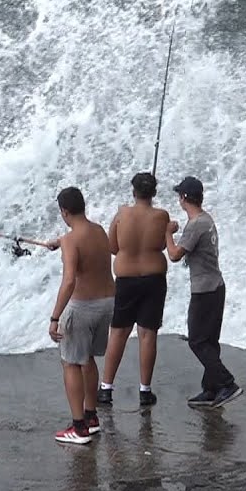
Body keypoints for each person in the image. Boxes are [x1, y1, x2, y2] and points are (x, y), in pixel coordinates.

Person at [166, 176, 243, 409]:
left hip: (205, 290)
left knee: (197, 341)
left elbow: (174, 255)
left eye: (179, 195)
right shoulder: (206, 219)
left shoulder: (196, 224)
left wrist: (167, 233)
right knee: (209, 341)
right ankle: (211, 388)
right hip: (216, 286)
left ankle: (227, 383)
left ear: (184, 198)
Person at [97, 172, 172, 408]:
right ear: (154, 193)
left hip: (126, 280)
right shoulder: (162, 216)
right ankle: (145, 391)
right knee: (147, 334)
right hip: (154, 280)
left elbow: (112, 247)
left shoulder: (122, 214)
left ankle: (106, 388)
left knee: (118, 333)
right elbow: (162, 244)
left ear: (133, 191)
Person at [48, 186, 115, 444]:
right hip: (107, 304)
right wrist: (60, 242)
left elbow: (69, 282)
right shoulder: (99, 231)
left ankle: (78, 428)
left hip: (83, 308)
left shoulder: (70, 241)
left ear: (64, 212)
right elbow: (80, 243)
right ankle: (91, 417)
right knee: (87, 359)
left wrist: (55, 318)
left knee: (71, 363)